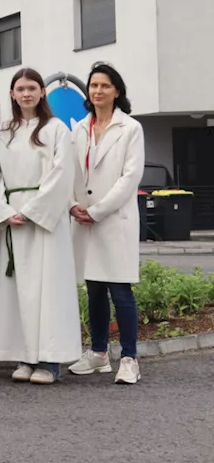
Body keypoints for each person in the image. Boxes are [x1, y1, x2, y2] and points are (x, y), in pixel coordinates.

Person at [0, 68, 81, 385]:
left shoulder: (56, 129)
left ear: (42, 92)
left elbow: (61, 175)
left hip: (45, 221)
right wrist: (3, 210)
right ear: (12, 94)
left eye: (32, 88)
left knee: (48, 290)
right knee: (19, 292)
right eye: (20, 88)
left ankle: (49, 360)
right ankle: (24, 357)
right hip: (12, 218)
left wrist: (31, 211)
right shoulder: (2, 132)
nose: (26, 94)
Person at [69, 62, 145, 385]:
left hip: (114, 220)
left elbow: (130, 179)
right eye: (93, 85)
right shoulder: (79, 128)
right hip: (85, 220)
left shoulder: (130, 129)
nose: (97, 91)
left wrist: (97, 210)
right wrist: (74, 205)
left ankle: (129, 358)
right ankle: (98, 353)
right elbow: (71, 171)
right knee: (94, 289)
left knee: (120, 289)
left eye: (104, 85)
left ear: (116, 91)